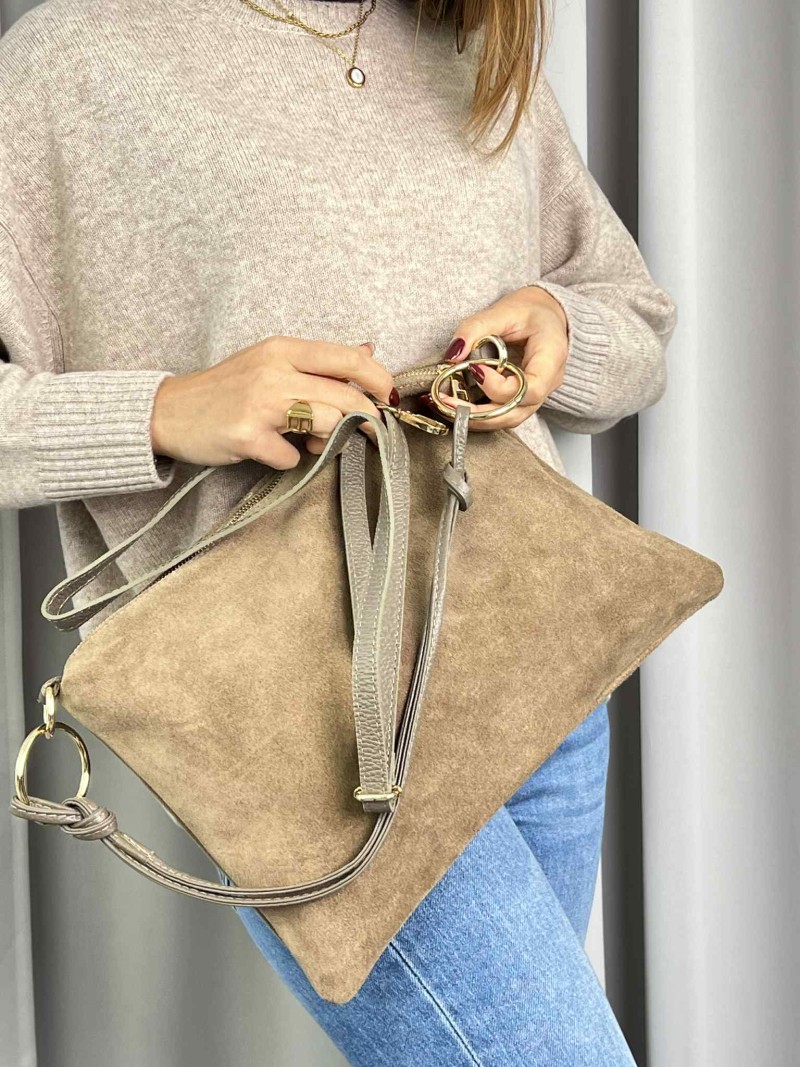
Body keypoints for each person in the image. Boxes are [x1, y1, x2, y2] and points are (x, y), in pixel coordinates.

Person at [0, 0, 676, 1061]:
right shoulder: (72, 59)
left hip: (538, 665)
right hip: (309, 725)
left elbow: (633, 321)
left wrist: (557, 326)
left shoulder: (467, 43)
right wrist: (168, 408)